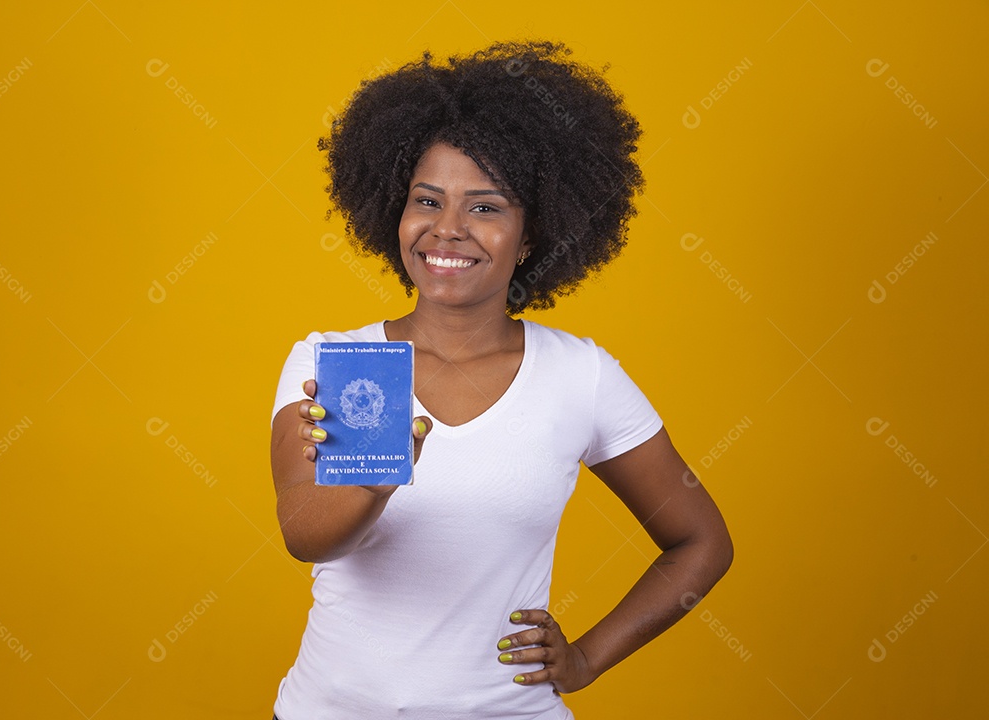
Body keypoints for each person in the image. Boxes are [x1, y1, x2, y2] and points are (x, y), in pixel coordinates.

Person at [269, 40, 733, 720]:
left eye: (486, 207)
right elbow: (304, 535)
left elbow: (701, 543)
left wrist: (586, 659)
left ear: (534, 233)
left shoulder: (582, 377)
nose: (447, 229)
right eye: (427, 199)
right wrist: (374, 479)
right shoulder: (333, 362)